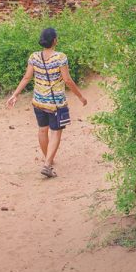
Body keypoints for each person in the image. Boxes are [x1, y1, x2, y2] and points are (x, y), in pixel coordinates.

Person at [6, 27, 86, 177]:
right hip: (56, 103)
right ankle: (48, 164)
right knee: (56, 132)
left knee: (43, 130)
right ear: (55, 40)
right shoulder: (60, 57)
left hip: (38, 101)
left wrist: (15, 94)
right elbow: (67, 80)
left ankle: (47, 158)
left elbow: (26, 78)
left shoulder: (34, 57)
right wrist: (80, 97)